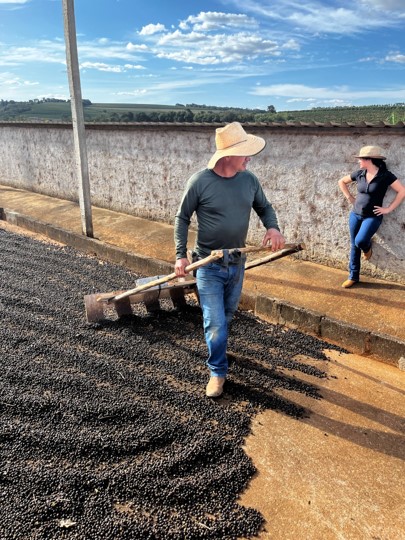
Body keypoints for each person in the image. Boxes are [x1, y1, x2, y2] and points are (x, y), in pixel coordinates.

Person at [174, 122, 285, 398]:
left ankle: (219, 352)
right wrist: (180, 255)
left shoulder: (249, 181)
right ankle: (217, 372)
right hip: (207, 265)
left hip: (237, 263)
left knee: (226, 316)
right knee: (214, 322)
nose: (249, 158)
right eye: (245, 153)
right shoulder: (200, 182)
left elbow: (265, 207)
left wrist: (273, 227)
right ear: (228, 156)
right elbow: (182, 217)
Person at [338, 145, 405, 288]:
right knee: (353, 245)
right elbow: (341, 181)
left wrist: (388, 209)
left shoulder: (385, 176)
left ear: (369, 159)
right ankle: (353, 276)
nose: (359, 161)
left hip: (372, 217)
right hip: (355, 214)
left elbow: (402, 191)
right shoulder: (359, 173)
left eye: (361, 159)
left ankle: (367, 248)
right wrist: (350, 197)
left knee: (360, 241)